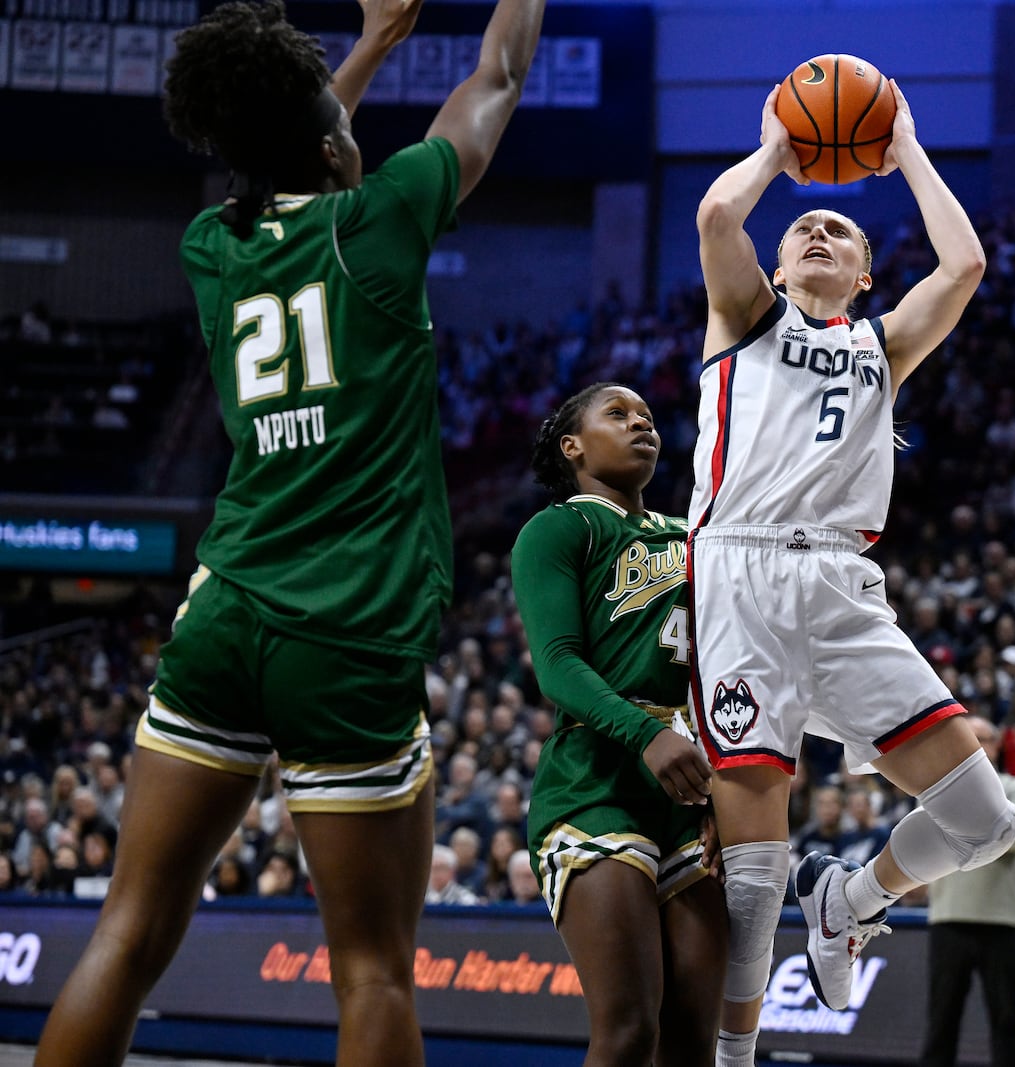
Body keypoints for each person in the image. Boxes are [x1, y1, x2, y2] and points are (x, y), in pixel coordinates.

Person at [34, 0, 546, 1062]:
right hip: (346, 631)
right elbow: (497, 75)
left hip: (224, 614)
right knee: (372, 969)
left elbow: (282, 159)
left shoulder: (214, 247)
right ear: (334, 150)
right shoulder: (384, 216)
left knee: (127, 934)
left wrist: (367, 50)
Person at [692, 78, 1007, 1067]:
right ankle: (733, 1061)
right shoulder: (747, 319)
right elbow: (714, 212)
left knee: (983, 818)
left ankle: (851, 900)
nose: (820, 232)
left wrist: (903, 143)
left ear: (869, 274)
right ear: (780, 265)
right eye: (805, 230)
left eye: (841, 230)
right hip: (738, 577)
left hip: (841, 589)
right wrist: (781, 151)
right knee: (750, 876)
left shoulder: (883, 343)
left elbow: (964, 263)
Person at [511, 382, 727, 1066]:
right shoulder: (559, 528)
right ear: (572, 446)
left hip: (691, 787)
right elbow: (558, 664)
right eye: (618, 414)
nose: (640, 423)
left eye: (648, 417)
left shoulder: (693, 536)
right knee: (629, 1030)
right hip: (595, 782)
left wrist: (734, 785)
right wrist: (645, 732)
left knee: (691, 1042)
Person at [919, 715, 1015, 1067]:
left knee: (1006, 1023)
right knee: (941, 1021)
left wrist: (962, 825)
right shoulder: (931, 786)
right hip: (949, 917)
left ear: (997, 746)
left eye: (983, 739)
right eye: (968, 738)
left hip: (1002, 920)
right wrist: (989, 826)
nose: (975, 745)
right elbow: (929, 842)